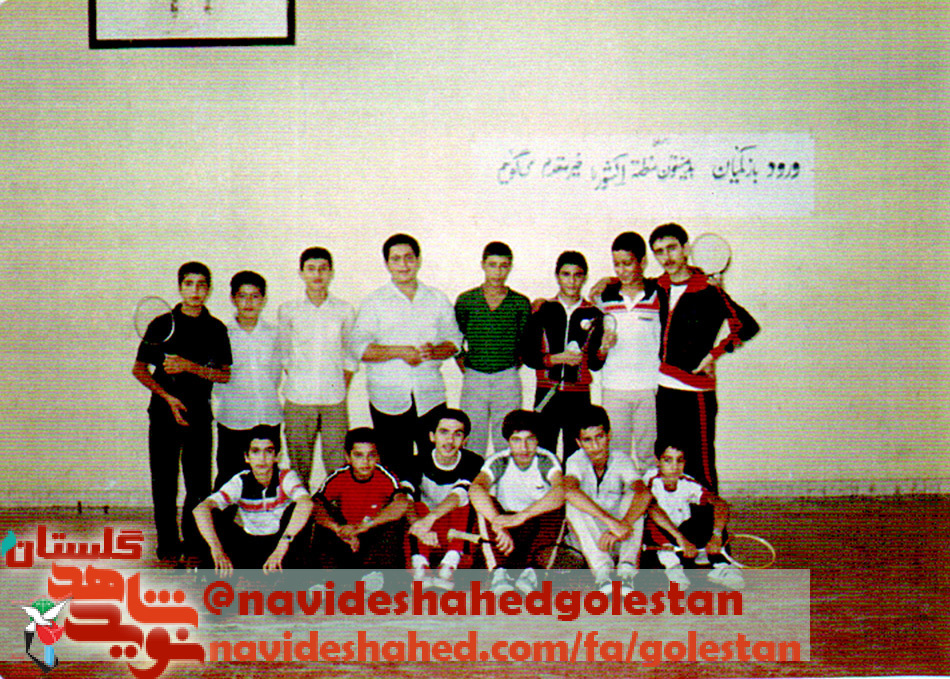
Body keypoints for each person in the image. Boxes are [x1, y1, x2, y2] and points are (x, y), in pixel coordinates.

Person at [649, 223, 760, 492]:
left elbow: (747, 326)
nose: (667, 257)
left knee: (700, 462)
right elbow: (628, 282)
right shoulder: (659, 285)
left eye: (672, 248)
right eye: (659, 252)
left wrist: (714, 355)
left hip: (696, 392)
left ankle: (710, 519)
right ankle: (676, 517)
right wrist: (607, 281)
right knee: (668, 460)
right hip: (665, 389)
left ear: (686, 249)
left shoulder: (710, 289)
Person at [132, 261, 232, 562]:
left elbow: (224, 374)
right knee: (164, 481)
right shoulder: (161, 324)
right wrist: (168, 397)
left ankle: (195, 543)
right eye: (189, 284)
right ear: (180, 287)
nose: (195, 290)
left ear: (208, 289)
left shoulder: (216, 328)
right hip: (163, 413)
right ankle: (167, 544)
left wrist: (189, 366)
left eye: (201, 284)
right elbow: (139, 369)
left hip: (199, 414)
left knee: (199, 483)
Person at [351, 234, 462, 478]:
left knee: (434, 463)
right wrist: (400, 352)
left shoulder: (437, 298)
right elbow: (359, 348)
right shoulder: (374, 302)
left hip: (430, 395)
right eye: (396, 259)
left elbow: (454, 341)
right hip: (387, 396)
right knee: (394, 465)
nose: (403, 265)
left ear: (418, 260)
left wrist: (435, 351)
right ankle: (400, 504)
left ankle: (430, 503)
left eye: (409, 258)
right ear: (387, 264)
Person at [277, 247, 357, 491]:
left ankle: (334, 512)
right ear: (301, 273)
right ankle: (300, 511)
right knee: (298, 464)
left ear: (331, 272)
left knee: (337, 463)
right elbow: (285, 355)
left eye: (323, 269)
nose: (317, 274)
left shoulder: (344, 310)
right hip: (298, 399)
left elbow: (350, 355)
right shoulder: (288, 310)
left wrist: (339, 386)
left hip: (334, 400)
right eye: (311, 269)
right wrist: (302, 382)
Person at [193, 426, 313, 574]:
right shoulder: (240, 480)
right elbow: (200, 510)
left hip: (280, 545)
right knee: (213, 513)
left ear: (277, 456)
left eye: (268, 451)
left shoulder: (286, 477)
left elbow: (306, 503)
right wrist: (216, 549)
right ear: (247, 457)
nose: (262, 459)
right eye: (255, 452)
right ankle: (216, 566)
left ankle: (294, 571)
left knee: (300, 509)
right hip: (250, 544)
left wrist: (283, 545)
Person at [469, 410, 565, 594]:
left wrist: (522, 516)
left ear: (538, 440)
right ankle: (499, 573)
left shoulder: (545, 459)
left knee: (558, 505)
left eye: (530, 439)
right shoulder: (500, 460)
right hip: (505, 530)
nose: (524, 447)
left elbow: (560, 491)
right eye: (516, 440)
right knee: (484, 504)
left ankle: (533, 574)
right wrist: (497, 522)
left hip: (536, 526)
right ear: (508, 441)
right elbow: (476, 489)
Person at [521, 251, 604, 457]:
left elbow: (595, 364)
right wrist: (556, 359)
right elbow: (528, 356)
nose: (572, 281)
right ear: (557, 276)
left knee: (577, 454)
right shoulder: (541, 310)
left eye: (578, 275)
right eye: (566, 274)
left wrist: (604, 348)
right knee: (543, 450)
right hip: (547, 391)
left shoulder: (594, 314)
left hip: (579, 395)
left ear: (585, 277)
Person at [563, 406, 652, 594]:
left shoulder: (622, 459)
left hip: (621, 537)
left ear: (609, 435)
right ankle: (603, 574)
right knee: (572, 502)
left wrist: (622, 524)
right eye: (587, 440)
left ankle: (626, 572)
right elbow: (569, 490)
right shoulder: (575, 460)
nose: (595, 446)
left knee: (633, 496)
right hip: (591, 542)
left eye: (600, 437)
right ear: (579, 442)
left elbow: (644, 494)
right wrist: (611, 522)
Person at [593, 232, 662, 472]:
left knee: (648, 453)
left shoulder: (659, 294)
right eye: (617, 264)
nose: (621, 270)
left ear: (642, 262)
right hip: (614, 387)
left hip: (650, 386)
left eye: (627, 263)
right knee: (616, 453)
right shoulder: (603, 297)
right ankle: (618, 496)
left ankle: (649, 494)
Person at [454, 242, 531, 456]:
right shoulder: (467, 300)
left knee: (507, 434)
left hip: (507, 377)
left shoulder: (519, 302)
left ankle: (505, 475)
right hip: (474, 376)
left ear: (510, 267)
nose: (498, 272)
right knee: (472, 434)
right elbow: (454, 339)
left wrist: (509, 366)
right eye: (493, 265)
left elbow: (525, 343)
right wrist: (466, 366)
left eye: (504, 266)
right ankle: (472, 476)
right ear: (483, 265)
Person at [641, 441, 745, 590]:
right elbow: (652, 510)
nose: (674, 467)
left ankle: (720, 565)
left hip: (682, 537)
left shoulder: (686, 481)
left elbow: (720, 504)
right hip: (658, 539)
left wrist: (716, 535)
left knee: (708, 512)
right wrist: (681, 539)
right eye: (668, 460)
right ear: (657, 461)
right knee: (652, 519)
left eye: (679, 460)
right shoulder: (650, 480)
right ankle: (673, 569)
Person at [212, 271, 283, 489]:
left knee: (268, 478)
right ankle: (225, 514)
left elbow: (276, 374)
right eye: (243, 296)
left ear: (264, 299)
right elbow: (216, 377)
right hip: (233, 419)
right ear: (233, 298)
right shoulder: (222, 333)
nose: (249, 302)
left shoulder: (275, 333)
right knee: (229, 477)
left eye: (255, 296)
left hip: (268, 416)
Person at [401, 408, 484, 589]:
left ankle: (450, 566)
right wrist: (419, 526)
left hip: (455, 529)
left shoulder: (474, 462)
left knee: (468, 503)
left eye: (457, 434)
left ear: (465, 440)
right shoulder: (416, 462)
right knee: (416, 506)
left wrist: (430, 519)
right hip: (424, 531)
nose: (450, 440)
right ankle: (420, 567)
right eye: (444, 432)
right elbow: (405, 499)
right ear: (432, 436)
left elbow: (458, 495)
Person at [311, 428, 409, 571]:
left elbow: (402, 504)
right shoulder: (338, 477)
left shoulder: (385, 476)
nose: (365, 461)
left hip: (372, 531)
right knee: (320, 522)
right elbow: (315, 506)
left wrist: (365, 526)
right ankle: (329, 576)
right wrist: (338, 529)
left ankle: (376, 575)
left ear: (377, 457)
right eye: (359, 455)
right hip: (346, 532)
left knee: (394, 525)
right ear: (348, 457)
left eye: (371, 455)